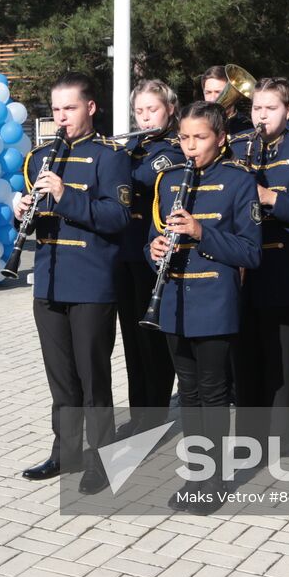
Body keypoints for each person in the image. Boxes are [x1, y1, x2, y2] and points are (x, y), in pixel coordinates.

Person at [14, 73, 130, 494]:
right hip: (49, 280)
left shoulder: (110, 156)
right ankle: (65, 452)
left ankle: (103, 459)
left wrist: (65, 195)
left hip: (91, 282)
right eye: (57, 109)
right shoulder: (40, 156)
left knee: (93, 379)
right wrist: (20, 207)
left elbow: (117, 218)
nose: (61, 118)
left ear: (91, 108)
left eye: (70, 108)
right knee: (61, 379)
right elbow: (33, 219)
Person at [146, 101, 261, 514]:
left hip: (215, 302)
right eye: (184, 137)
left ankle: (213, 479)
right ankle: (195, 473)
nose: (190, 146)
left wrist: (200, 231)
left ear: (221, 139)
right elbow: (150, 237)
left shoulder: (238, 181)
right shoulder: (168, 180)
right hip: (173, 301)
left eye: (200, 138)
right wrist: (154, 249)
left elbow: (251, 252)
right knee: (188, 393)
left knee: (212, 394)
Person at [233, 78, 289, 454]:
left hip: (285, 268)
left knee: (282, 359)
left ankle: (280, 437)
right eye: (257, 108)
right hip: (243, 269)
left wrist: (267, 195)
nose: (262, 115)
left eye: (270, 109)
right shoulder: (238, 148)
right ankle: (248, 436)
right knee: (245, 356)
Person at [113, 79, 181, 435]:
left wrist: (109, 158)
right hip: (125, 252)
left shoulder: (172, 148)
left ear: (169, 109)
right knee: (132, 342)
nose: (143, 117)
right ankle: (140, 412)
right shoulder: (135, 146)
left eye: (151, 109)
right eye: (138, 111)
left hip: (152, 256)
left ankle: (153, 416)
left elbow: (138, 179)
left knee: (152, 343)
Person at [200, 64, 251, 135]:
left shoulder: (247, 127)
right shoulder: (195, 122)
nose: (212, 98)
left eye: (218, 92)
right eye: (208, 92)